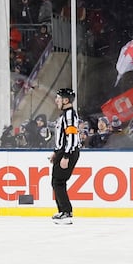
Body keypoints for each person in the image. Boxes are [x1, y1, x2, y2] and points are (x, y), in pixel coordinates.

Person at [49, 88, 81, 223]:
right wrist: (56, 153)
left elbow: (72, 136)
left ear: (66, 100)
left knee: (59, 182)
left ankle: (66, 212)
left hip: (68, 151)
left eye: (58, 98)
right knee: (56, 181)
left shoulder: (69, 115)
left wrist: (66, 156)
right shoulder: (65, 115)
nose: (56, 100)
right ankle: (63, 211)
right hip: (63, 151)